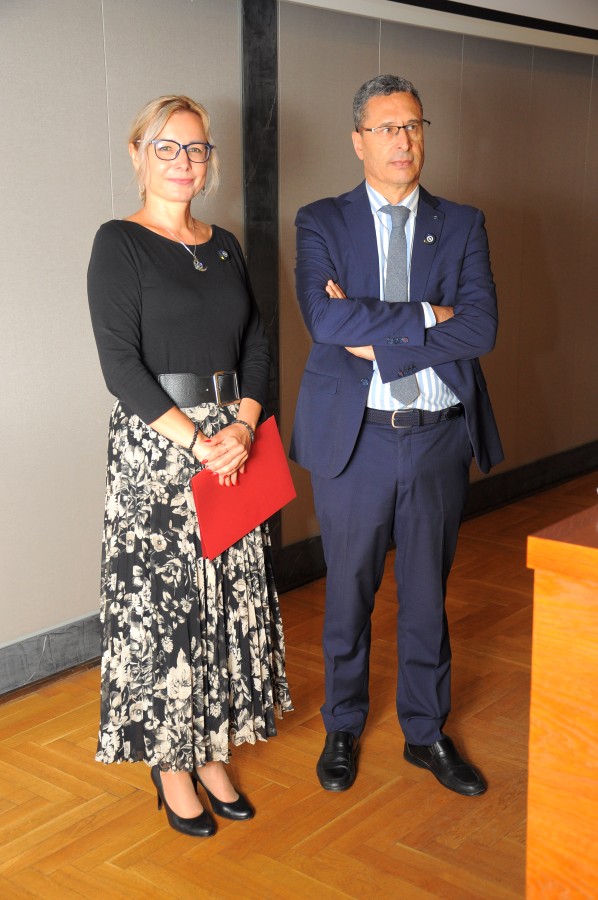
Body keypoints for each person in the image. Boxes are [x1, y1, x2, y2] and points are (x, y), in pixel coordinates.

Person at [290, 74, 503, 797]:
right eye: (386, 128)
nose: (403, 140)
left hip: (438, 437)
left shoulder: (463, 223)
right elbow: (326, 322)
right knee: (349, 591)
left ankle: (425, 731)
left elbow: (482, 328)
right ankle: (343, 724)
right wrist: (430, 317)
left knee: (425, 594)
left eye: (413, 125)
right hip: (357, 440)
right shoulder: (321, 221)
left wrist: (379, 338)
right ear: (359, 141)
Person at [88, 95, 292, 837]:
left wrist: (243, 423)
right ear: (138, 155)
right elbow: (121, 365)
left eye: (196, 148)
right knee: (167, 608)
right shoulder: (119, 242)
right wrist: (198, 442)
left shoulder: (225, 244)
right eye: (167, 147)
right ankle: (170, 762)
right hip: (162, 450)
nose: (184, 161)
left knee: (224, 605)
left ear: (210, 162)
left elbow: (258, 341)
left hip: (234, 442)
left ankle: (210, 749)